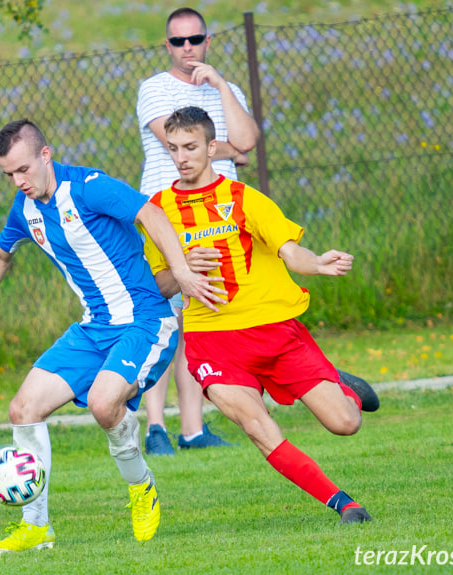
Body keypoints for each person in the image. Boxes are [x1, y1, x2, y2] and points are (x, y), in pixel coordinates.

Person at [0, 119, 225, 553]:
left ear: (45, 155)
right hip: (95, 327)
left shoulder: (89, 187)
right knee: (23, 408)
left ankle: (141, 484)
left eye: (23, 170)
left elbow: (150, 213)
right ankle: (36, 528)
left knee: (102, 404)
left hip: (145, 320)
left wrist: (182, 271)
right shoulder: (26, 210)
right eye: (8, 175)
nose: (18, 182)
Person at [142, 107, 377, 524]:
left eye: (191, 147)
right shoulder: (158, 211)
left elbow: (290, 251)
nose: (182, 157)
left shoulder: (244, 198)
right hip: (212, 340)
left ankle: (344, 387)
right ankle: (346, 506)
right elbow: (154, 287)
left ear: (212, 148)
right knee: (256, 425)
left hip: (273, 330)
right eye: (173, 148)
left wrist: (318, 263)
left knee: (345, 423)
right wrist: (182, 270)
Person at [136, 7, 260, 455]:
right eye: (178, 42)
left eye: (195, 39)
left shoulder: (227, 90)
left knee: (197, 319)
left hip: (217, 213)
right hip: (167, 210)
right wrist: (226, 151)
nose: (187, 49)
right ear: (166, 46)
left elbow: (247, 141)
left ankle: (192, 429)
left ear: (208, 41)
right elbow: (175, 141)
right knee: (165, 314)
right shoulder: (154, 89)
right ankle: (155, 427)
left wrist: (222, 87)